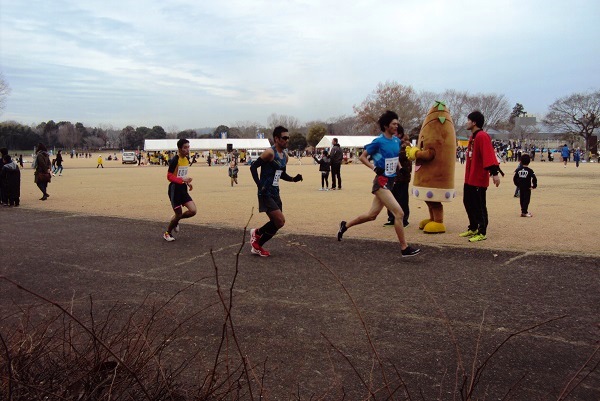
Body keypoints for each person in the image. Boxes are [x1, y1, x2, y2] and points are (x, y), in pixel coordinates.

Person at [337, 111, 421, 257]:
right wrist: (374, 168)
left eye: (397, 123)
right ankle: (404, 248)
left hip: (391, 182)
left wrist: (400, 169)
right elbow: (362, 157)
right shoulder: (378, 141)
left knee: (372, 215)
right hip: (380, 182)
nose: (396, 126)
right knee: (399, 213)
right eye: (394, 123)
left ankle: (345, 225)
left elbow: (395, 159)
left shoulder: (395, 141)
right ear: (385, 125)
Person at [249, 126, 303, 257]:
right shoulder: (269, 153)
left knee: (278, 223)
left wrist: (293, 179)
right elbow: (253, 167)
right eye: (284, 138)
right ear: (276, 139)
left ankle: (257, 245)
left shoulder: (285, 156)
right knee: (279, 220)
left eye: (288, 138)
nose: (287, 140)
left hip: (275, 192)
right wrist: (259, 184)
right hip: (265, 192)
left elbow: (281, 174)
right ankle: (256, 233)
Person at [459, 111, 501, 242]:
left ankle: (482, 231)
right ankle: (473, 227)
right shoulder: (473, 137)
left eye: (468, 120)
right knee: (468, 202)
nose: (466, 122)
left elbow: (489, 155)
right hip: (470, 178)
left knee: (479, 205)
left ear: (474, 122)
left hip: (478, 178)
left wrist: (495, 173)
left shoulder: (482, 136)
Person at [163, 138, 197, 242]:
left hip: (183, 188)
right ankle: (167, 233)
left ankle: (176, 220)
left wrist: (187, 182)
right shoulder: (175, 160)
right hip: (174, 189)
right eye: (185, 147)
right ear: (179, 149)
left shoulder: (186, 159)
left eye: (188, 147)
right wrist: (181, 180)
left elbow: (182, 175)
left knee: (193, 211)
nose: (187, 149)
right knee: (178, 213)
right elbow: (169, 176)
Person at [384, 125, 411, 227]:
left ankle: (404, 219)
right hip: (391, 175)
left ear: (399, 134)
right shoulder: (392, 143)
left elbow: (401, 156)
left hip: (402, 176)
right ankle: (391, 218)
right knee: (391, 198)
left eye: (394, 132)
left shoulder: (405, 144)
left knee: (402, 198)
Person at [513, 153, 537, 218]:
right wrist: (534, 186)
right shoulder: (530, 170)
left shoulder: (518, 170)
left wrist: (517, 184)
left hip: (521, 187)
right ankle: (524, 212)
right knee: (526, 199)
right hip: (527, 187)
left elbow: (515, 178)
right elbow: (534, 178)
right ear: (529, 162)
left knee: (522, 199)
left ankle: (523, 210)